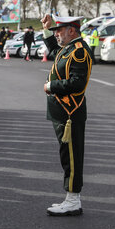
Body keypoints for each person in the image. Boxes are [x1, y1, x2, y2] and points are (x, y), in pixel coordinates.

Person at [40, 15, 92, 216]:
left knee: (71, 156)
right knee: (66, 154)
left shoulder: (79, 51)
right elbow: (55, 51)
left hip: (70, 111)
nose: (56, 33)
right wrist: (46, 29)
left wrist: (51, 86)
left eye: (59, 30)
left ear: (72, 30)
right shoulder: (69, 48)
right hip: (61, 110)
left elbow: (78, 83)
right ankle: (71, 198)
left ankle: (73, 200)